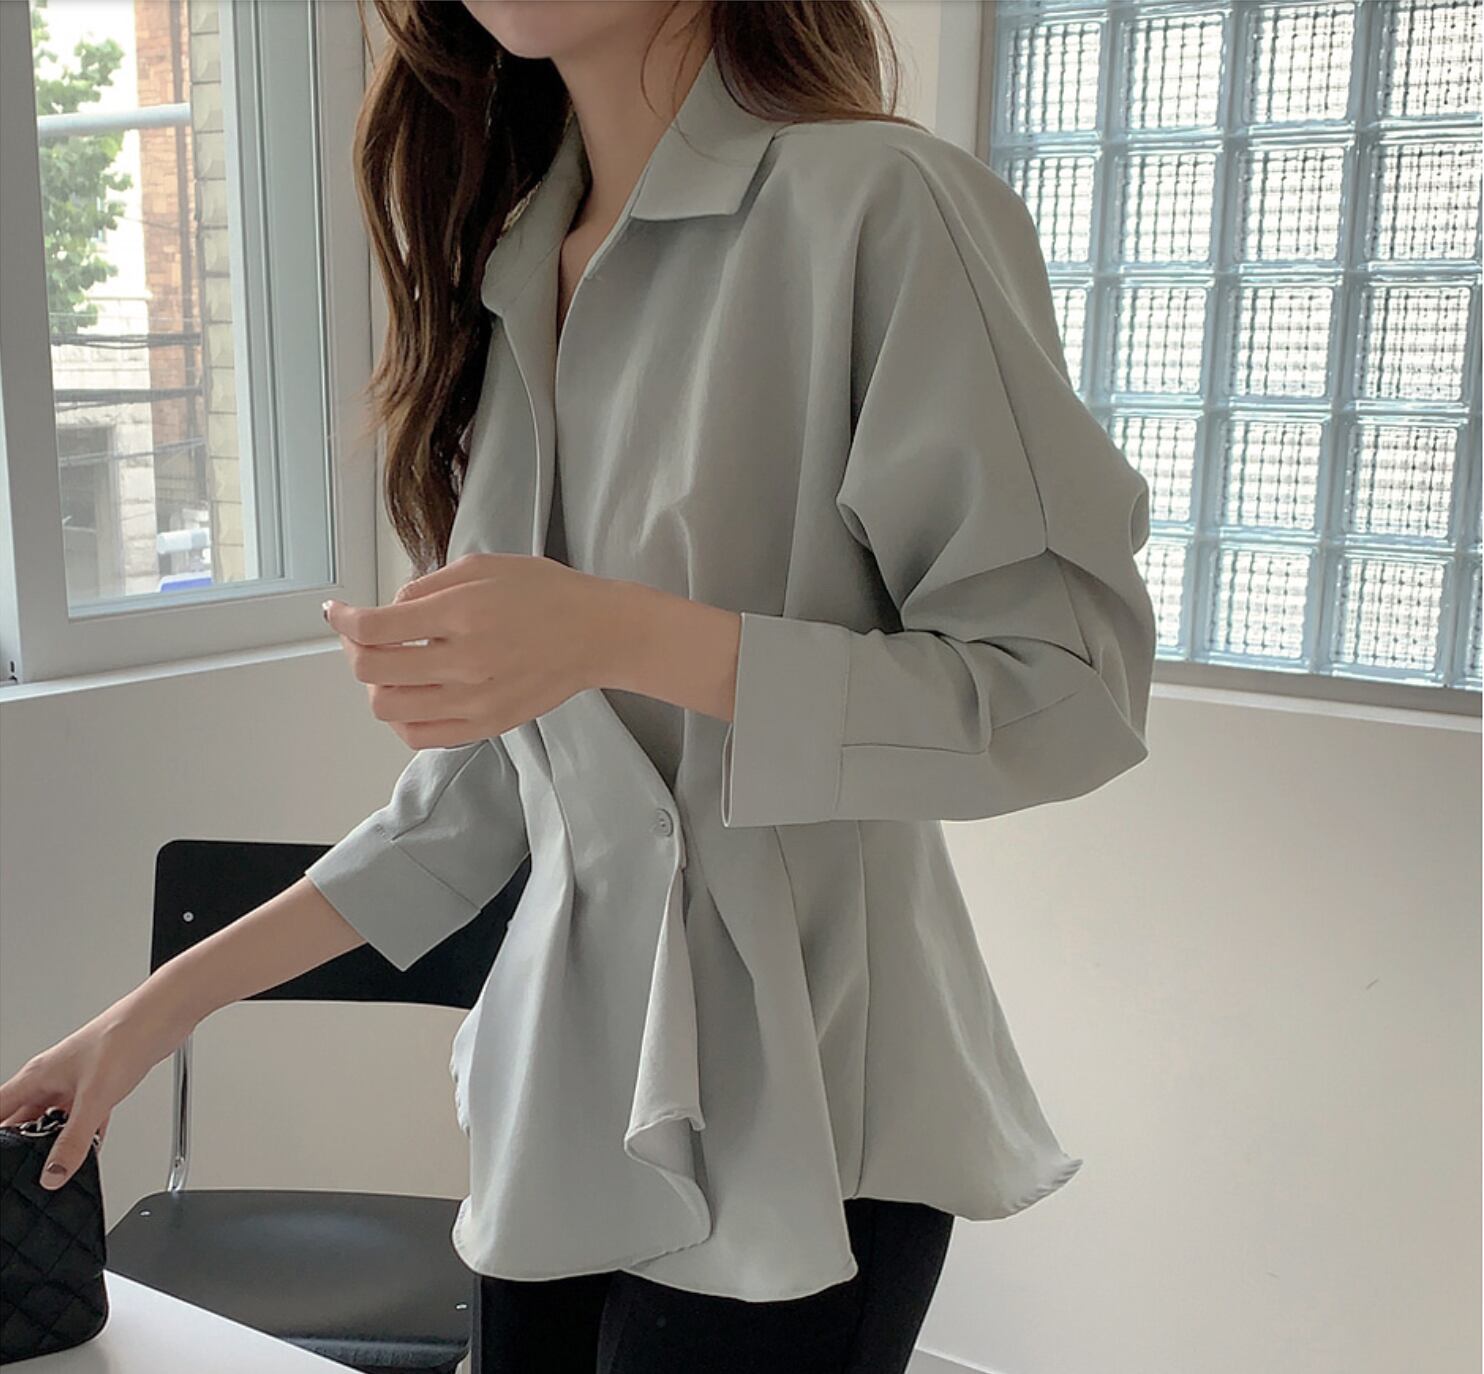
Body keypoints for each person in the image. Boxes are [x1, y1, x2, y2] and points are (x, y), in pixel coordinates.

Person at [0, 2, 1158, 1370]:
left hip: (813, 1112)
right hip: (557, 1108)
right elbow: (467, 810)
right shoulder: (511, 268)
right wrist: (141, 1021)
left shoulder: (879, 206)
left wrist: (617, 635)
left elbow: (1065, 691)